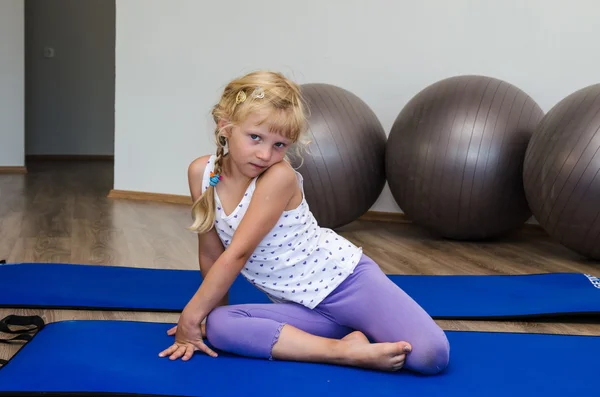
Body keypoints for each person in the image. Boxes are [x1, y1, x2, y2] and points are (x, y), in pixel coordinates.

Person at [158, 70, 450, 375]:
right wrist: (207, 317)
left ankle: (354, 331)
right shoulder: (201, 174)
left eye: (280, 145)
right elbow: (211, 253)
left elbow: (238, 254)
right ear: (225, 127)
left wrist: (189, 318)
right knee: (220, 325)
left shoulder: (277, 177)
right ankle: (343, 349)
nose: (265, 154)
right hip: (303, 307)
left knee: (430, 357)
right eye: (255, 137)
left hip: (347, 285)